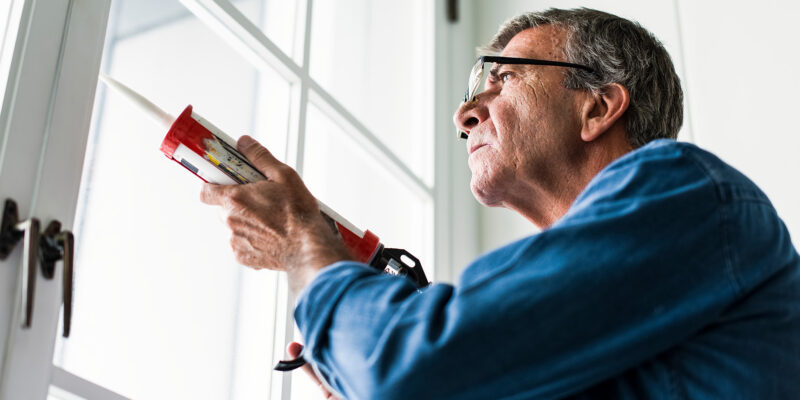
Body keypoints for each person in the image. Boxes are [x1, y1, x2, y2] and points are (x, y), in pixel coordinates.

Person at [200, 8, 800, 399]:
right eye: (471, 93)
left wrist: (305, 241)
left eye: (504, 78)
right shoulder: (593, 324)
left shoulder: (684, 186)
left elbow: (408, 368)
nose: (465, 115)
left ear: (598, 106)